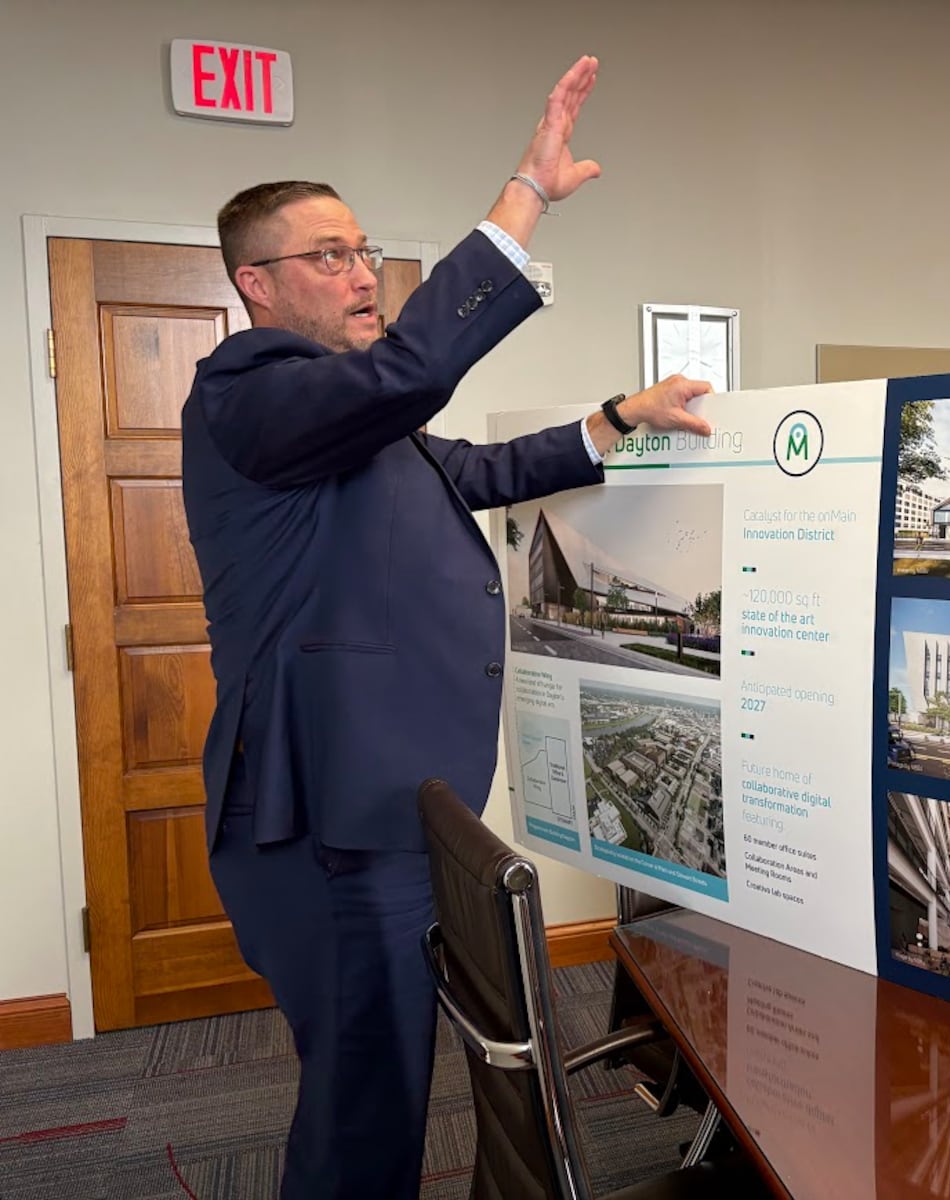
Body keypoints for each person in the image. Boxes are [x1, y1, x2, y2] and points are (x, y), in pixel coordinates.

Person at [182, 56, 712, 1200]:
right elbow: (416, 374)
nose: (361, 272)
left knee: (376, 1082)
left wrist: (618, 418)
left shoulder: (344, 415)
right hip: (325, 818)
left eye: (363, 249)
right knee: (365, 1101)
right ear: (256, 285)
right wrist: (525, 197)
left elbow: (473, 470)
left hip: (373, 801)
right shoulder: (250, 390)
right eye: (329, 255)